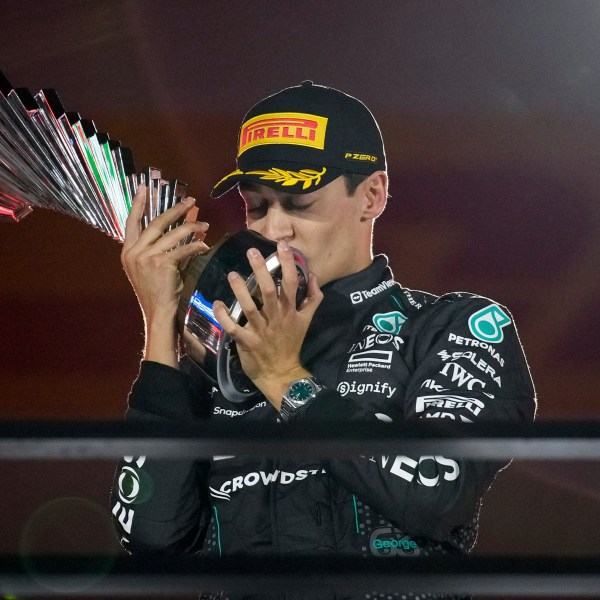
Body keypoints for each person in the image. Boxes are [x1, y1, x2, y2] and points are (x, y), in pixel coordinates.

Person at [111, 81, 537, 600]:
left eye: (299, 203)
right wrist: (161, 321)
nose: (276, 229)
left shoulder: (451, 326)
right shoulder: (221, 354)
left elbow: (436, 493)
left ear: (372, 196)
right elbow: (152, 537)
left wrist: (284, 378)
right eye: (257, 206)